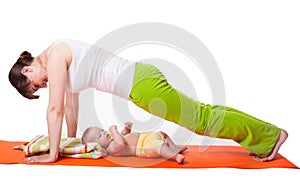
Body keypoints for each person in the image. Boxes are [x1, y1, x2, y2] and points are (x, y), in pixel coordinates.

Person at [8, 38, 288, 163]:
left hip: (142, 85)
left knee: (202, 121)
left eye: (38, 84)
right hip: (140, 81)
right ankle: (264, 136)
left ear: (28, 69)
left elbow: (55, 109)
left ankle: (271, 136)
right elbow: (69, 105)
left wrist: (53, 153)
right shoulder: (57, 53)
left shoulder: (55, 56)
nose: (45, 86)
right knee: (204, 113)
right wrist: (70, 144)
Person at [82, 121, 187, 164]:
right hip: (143, 146)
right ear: (98, 146)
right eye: (100, 135)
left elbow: (123, 136)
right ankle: (174, 156)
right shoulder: (112, 148)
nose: (104, 133)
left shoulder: (113, 139)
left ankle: (174, 148)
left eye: (102, 130)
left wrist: (127, 130)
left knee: (162, 134)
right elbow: (121, 143)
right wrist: (113, 130)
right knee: (160, 147)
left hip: (145, 137)